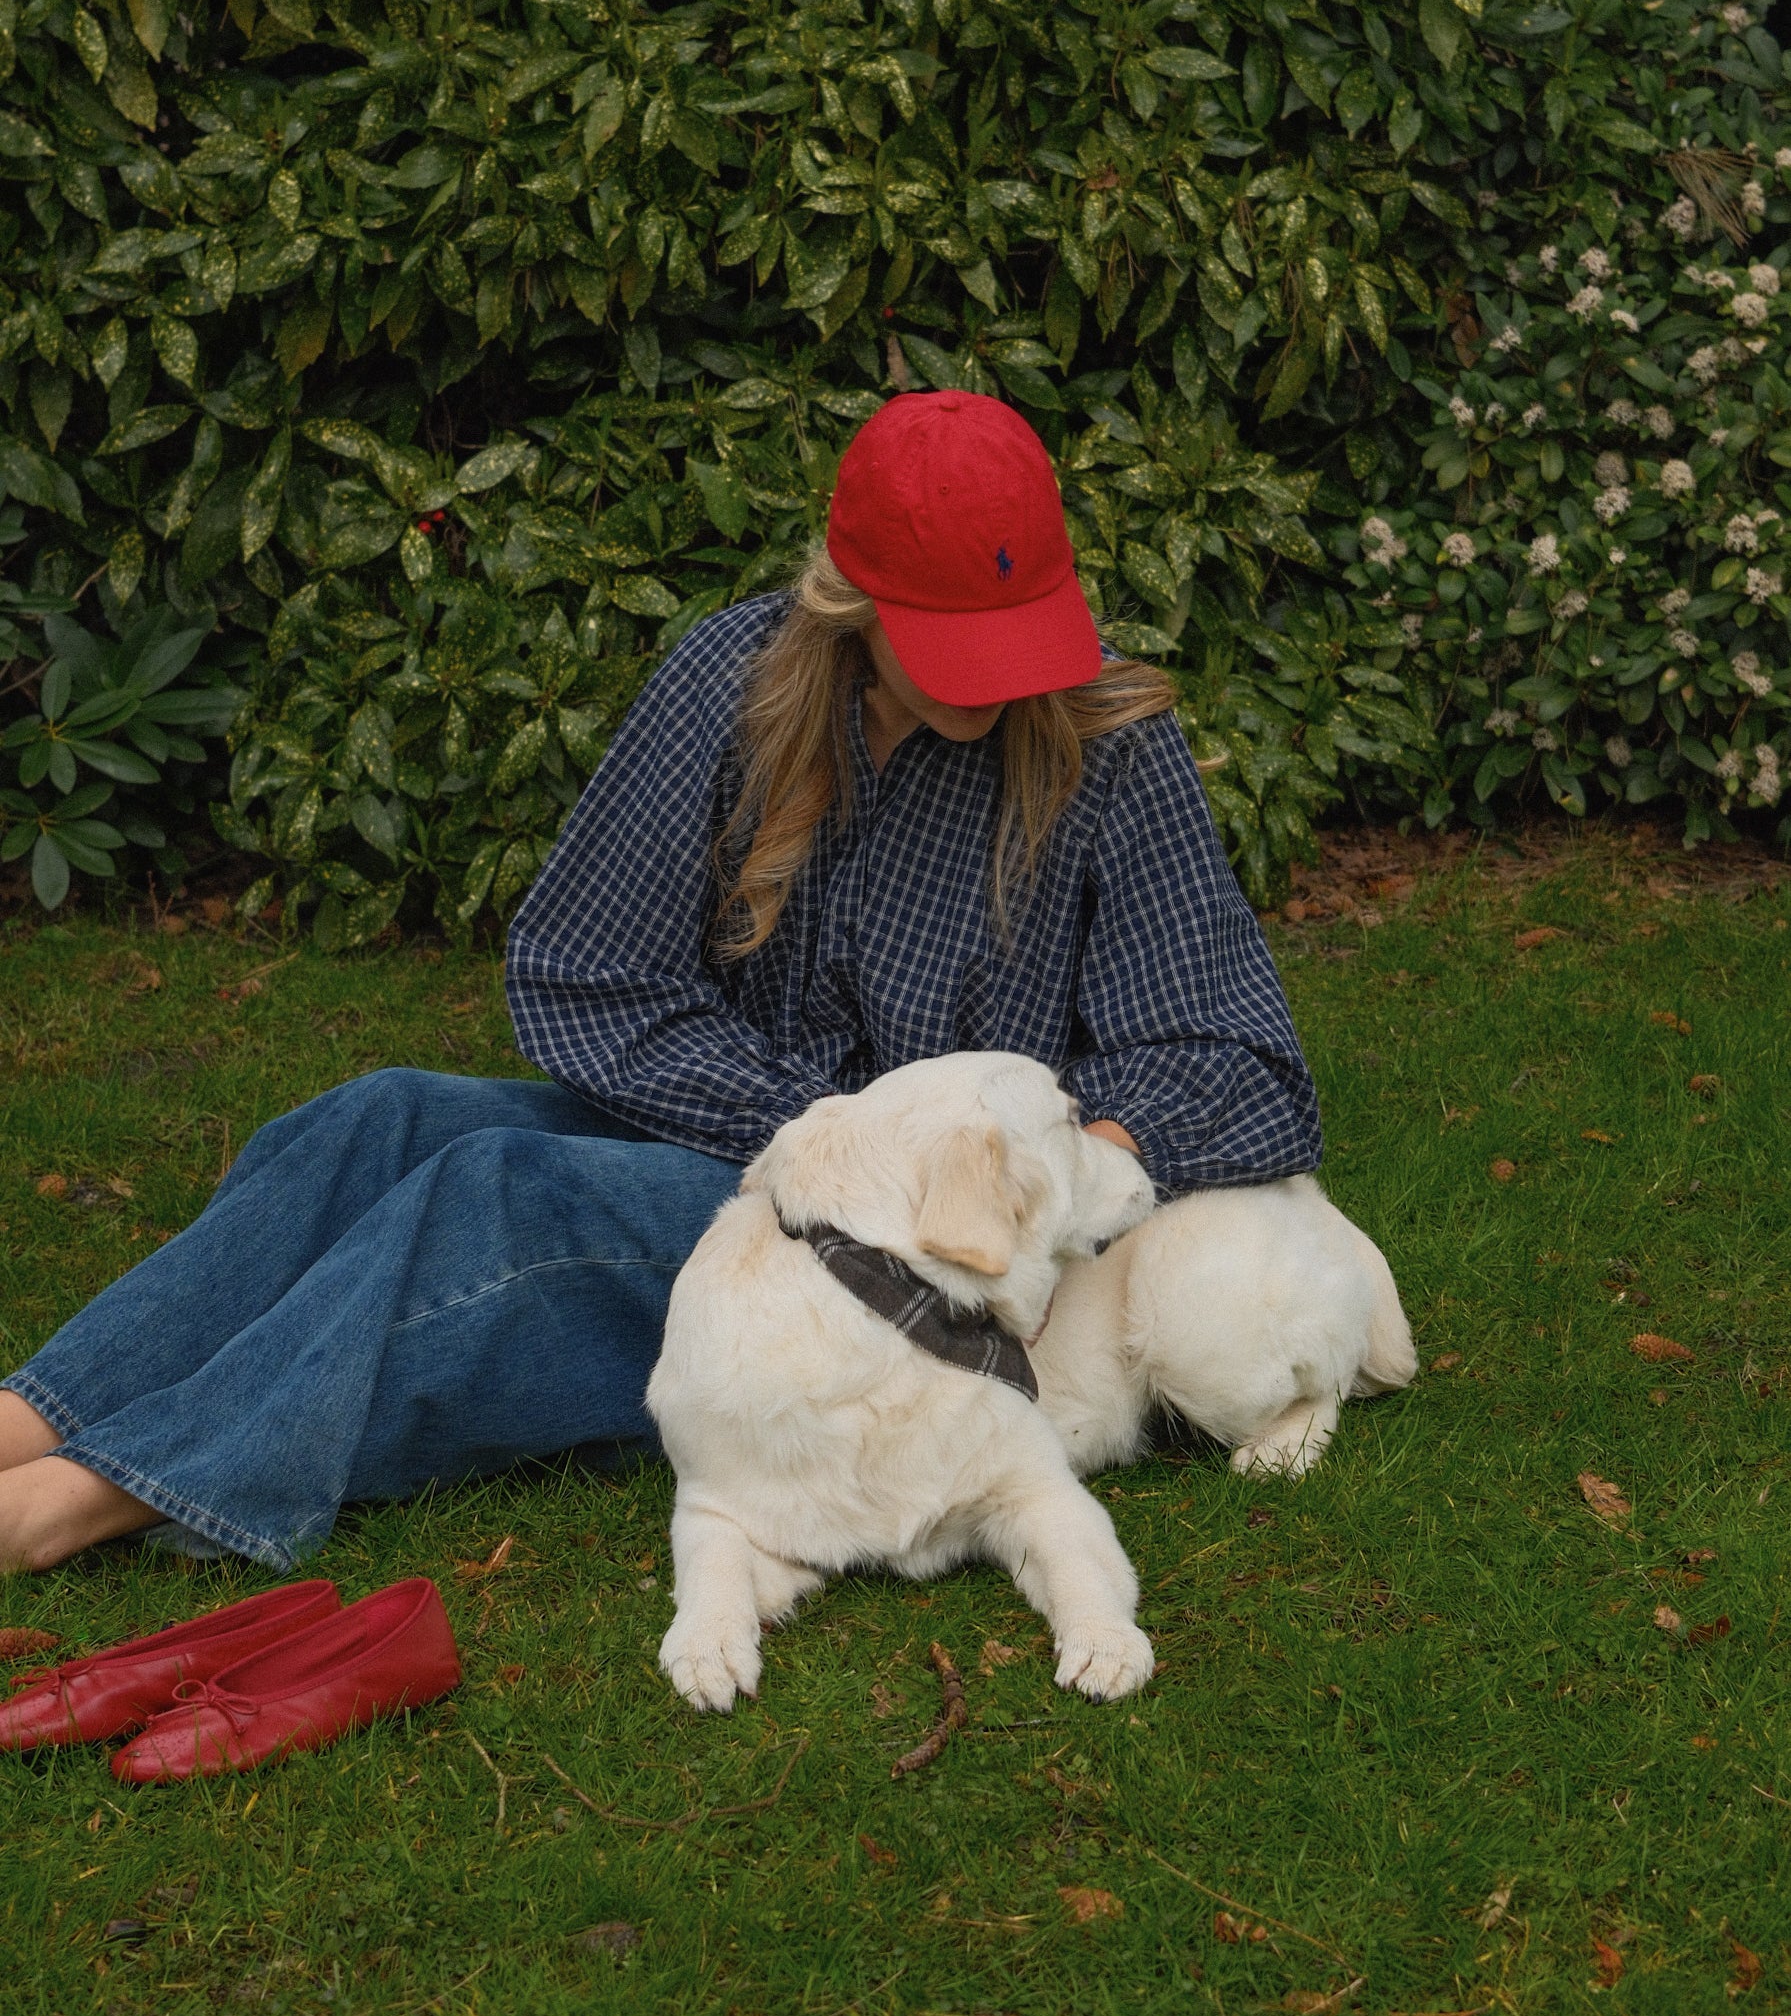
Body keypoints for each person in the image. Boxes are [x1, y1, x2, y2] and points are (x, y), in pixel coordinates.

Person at [0, 391, 1320, 1575]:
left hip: (938, 1256)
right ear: (855, 602)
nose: (996, 678)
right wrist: (815, 1136)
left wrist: (1076, 1165)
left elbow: (1244, 1067)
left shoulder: (1107, 749)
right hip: (758, 1164)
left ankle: (87, 1498)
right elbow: (588, 977)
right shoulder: (735, 682)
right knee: (382, 1117)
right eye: (950, 638)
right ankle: (30, 1418)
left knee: (504, 1198)